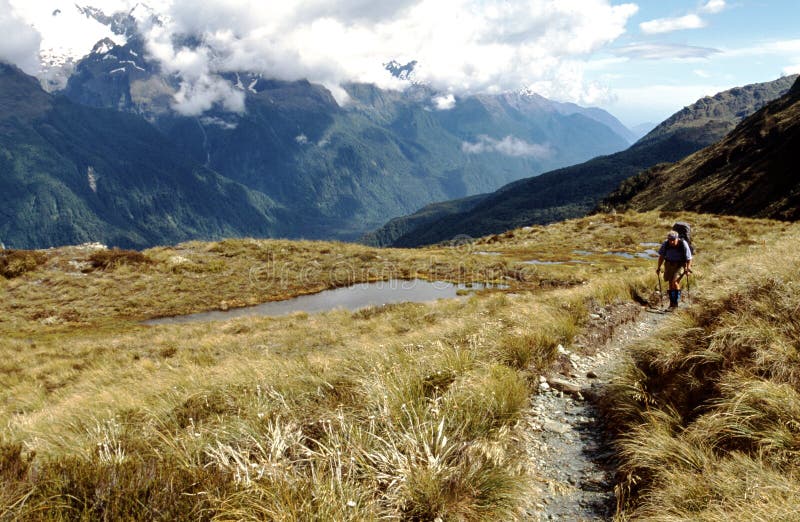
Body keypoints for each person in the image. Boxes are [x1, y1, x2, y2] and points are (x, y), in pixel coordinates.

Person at [656, 230, 692, 309]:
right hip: (669, 264)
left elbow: (689, 258)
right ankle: (672, 303)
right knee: (670, 283)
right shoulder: (666, 244)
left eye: (673, 240)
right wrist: (658, 267)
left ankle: (675, 303)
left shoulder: (683, 244)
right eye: (670, 240)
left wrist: (688, 268)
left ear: (677, 238)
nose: (671, 242)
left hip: (680, 265)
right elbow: (661, 256)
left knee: (674, 282)